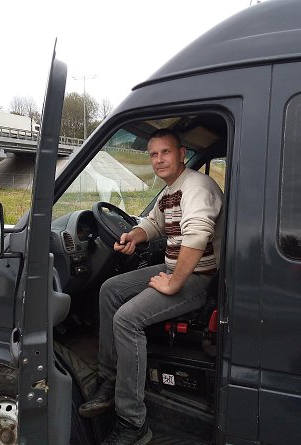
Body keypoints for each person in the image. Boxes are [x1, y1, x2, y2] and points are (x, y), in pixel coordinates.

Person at [78, 128, 224, 445]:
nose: (159, 160)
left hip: (200, 277)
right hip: (175, 267)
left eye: (165, 152)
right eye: (153, 154)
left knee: (127, 319)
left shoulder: (197, 187)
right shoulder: (172, 190)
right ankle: (109, 378)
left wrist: (173, 282)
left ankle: (132, 423)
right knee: (110, 290)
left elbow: (197, 236)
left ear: (181, 154)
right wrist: (134, 235)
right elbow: (155, 223)